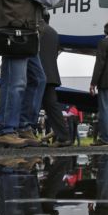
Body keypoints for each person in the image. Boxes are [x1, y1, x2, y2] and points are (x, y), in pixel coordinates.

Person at [0, 0, 69, 148]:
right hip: (19, 37)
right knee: (16, 84)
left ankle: (24, 126)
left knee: (38, 79)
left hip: (20, 38)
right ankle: (6, 130)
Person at [39, 16, 73, 147]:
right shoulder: (54, 33)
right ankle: (64, 137)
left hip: (37, 73)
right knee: (52, 107)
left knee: (31, 102)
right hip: (52, 74)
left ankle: (26, 134)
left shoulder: (37, 30)